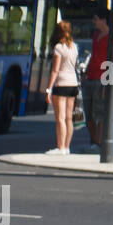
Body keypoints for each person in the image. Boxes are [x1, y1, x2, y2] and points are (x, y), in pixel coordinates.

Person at [44, 20, 79, 155]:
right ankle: (67, 146)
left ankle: (60, 147)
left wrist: (49, 88)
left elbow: (55, 70)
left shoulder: (58, 47)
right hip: (73, 83)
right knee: (69, 118)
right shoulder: (74, 47)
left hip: (61, 84)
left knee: (60, 118)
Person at [83, 3, 110, 150]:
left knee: (99, 113)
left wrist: (107, 84)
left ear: (103, 20)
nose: (94, 22)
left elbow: (112, 62)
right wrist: (85, 73)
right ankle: (94, 140)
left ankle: (98, 142)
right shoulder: (96, 35)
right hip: (91, 77)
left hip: (101, 79)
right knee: (88, 114)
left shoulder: (111, 38)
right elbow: (93, 55)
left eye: (95, 19)